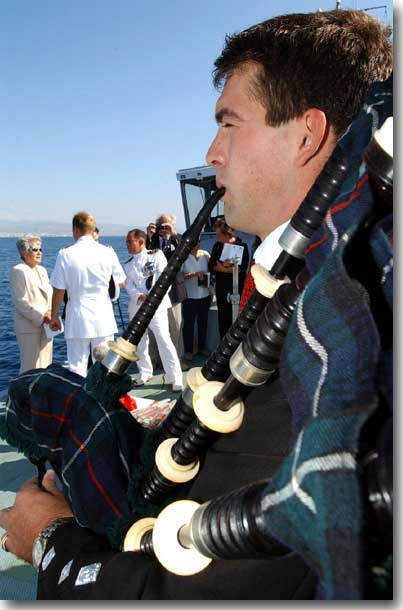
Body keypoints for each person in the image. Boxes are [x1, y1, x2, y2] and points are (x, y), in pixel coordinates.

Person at [0, 10, 392, 600]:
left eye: (229, 123)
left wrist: (49, 538)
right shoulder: (314, 283)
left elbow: (208, 588)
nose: (212, 152)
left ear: (308, 134)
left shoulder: (338, 332)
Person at [49, 211, 126, 378]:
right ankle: (103, 400)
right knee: (104, 363)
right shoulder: (107, 252)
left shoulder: (65, 254)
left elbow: (59, 288)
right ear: (92, 230)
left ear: (75, 230)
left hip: (77, 315)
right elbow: (120, 281)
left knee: (77, 365)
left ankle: (79, 401)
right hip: (103, 315)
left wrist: (55, 315)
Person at [124, 228, 183, 391]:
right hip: (137, 307)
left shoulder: (156, 256)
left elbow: (165, 278)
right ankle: (145, 372)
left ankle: (175, 377)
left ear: (141, 242)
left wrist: (151, 297)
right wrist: (139, 296)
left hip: (156, 307)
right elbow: (128, 284)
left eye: (130, 241)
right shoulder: (128, 265)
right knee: (140, 342)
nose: (127, 244)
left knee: (164, 340)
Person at [9, 234, 53, 374]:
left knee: (46, 365)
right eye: (35, 249)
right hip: (29, 327)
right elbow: (20, 302)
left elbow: (50, 295)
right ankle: (24, 395)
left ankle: (40, 394)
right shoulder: (18, 271)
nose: (39, 252)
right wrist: (41, 317)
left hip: (47, 327)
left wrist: (51, 312)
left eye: (40, 249)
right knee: (29, 367)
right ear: (24, 252)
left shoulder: (43, 271)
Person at [148, 213, 187, 363]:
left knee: (176, 325)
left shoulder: (177, 241)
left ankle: (177, 357)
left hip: (175, 290)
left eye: (167, 226)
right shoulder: (152, 242)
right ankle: (154, 358)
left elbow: (186, 248)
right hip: (155, 291)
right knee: (153, 327)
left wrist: (174, 233)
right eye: (161, 226)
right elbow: (143, 257)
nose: (164, 229)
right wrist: (149, 235)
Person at [208, 218, 249, 337]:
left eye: (219, 234)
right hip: (221, 289)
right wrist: (227, 268)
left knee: (237, 318)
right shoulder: (217, 246)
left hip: (236, 288)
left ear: (227, 233)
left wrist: (223, 268)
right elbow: (211, 266)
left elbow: (241, 269)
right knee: (223, 319)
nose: (217, 237)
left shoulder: (242, 246)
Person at [181, 240, 211, 360]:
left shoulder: (206, 255)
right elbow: (179, 276)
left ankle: (202, 347)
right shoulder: (184, 257)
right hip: (189, 296)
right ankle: (188, 350)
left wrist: (206, 277)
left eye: (197, 243)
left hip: (205, 294)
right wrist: (194, 274)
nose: (195, 246)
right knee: (188, 324)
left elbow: (211, 271)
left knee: (203, 322)